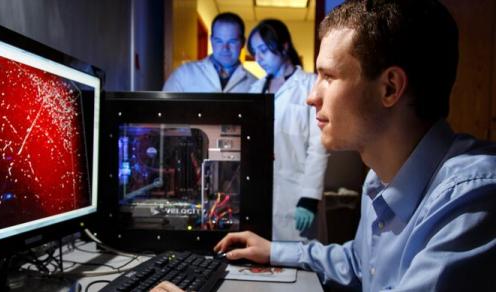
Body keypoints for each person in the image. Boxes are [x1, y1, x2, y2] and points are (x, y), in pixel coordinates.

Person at [152, 0, 496, 291]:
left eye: (329, 77)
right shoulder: (379, 179)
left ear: (390, 88)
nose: (312, 97)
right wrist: (274, 250)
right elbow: (359, 262)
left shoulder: (472, 203)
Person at [247, 19, 328, 241]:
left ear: (283, 46)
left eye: (263, 50)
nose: (258, 58)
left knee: (300, 264)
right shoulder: (256, 88)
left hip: (297, 194)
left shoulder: (310, 85)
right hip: (261, 192)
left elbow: (318, 145)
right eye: (255, 52)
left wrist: (310, 197)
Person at [162, 12, 256, 92]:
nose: (225, 48)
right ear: (211, 40)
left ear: (243, 42)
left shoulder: (255, 85)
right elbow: (163, 108)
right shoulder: (184, 74)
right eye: (219, 41)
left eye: (232, 41)